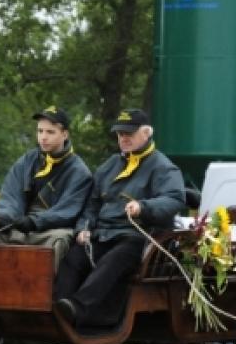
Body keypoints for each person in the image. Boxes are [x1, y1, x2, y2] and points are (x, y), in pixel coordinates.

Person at [54, 108, 185, 328]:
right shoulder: (109, 167)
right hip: (103, 234)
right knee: (73, 258)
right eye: (120, 133)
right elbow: (92, 204)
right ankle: (58, 310)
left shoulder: (163, 167)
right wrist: (84, 227)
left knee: (115, 259)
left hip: (138, 238)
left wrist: (144, 207)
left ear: (146, 133)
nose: (123, 138)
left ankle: (78, 308)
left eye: (129, 133)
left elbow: (174, 199)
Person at [0, 106, 92, 270]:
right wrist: (7, 216)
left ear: (65, 134)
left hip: (48, 231)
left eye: (50, 132)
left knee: (59, 240)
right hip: (19, 226)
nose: (43, 137)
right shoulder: (27, 160)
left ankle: (43, 292)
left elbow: (68, 211)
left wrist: (33, 222)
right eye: (40, 131)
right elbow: (11, 193)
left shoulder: (79, 171)